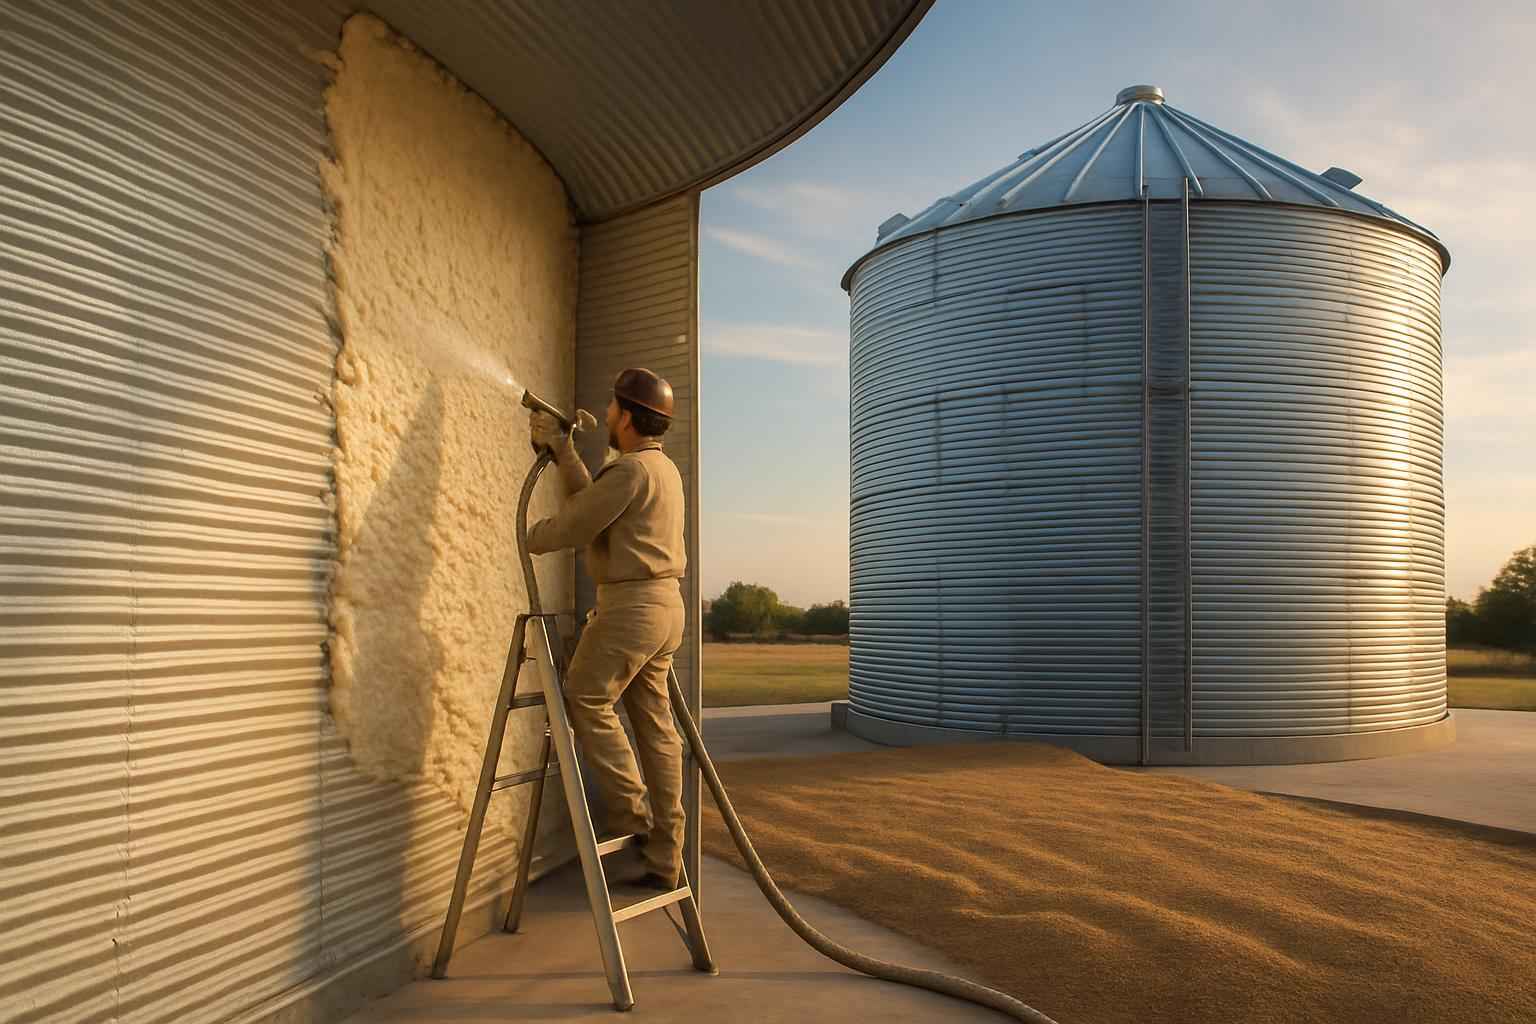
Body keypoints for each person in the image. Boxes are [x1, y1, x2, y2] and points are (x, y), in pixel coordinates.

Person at [526, 368, 687, 891]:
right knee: (655, 728)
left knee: (585, 698)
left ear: (628, 417)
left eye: (614, 407)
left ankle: (632, 817)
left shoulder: (631, 472)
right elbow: (594, 506)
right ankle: (665, 856)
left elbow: (576, 525)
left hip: (631, 608)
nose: (608, 413)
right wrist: (564, 452)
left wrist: (530, 537)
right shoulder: (660, 470)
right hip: (664, 608)